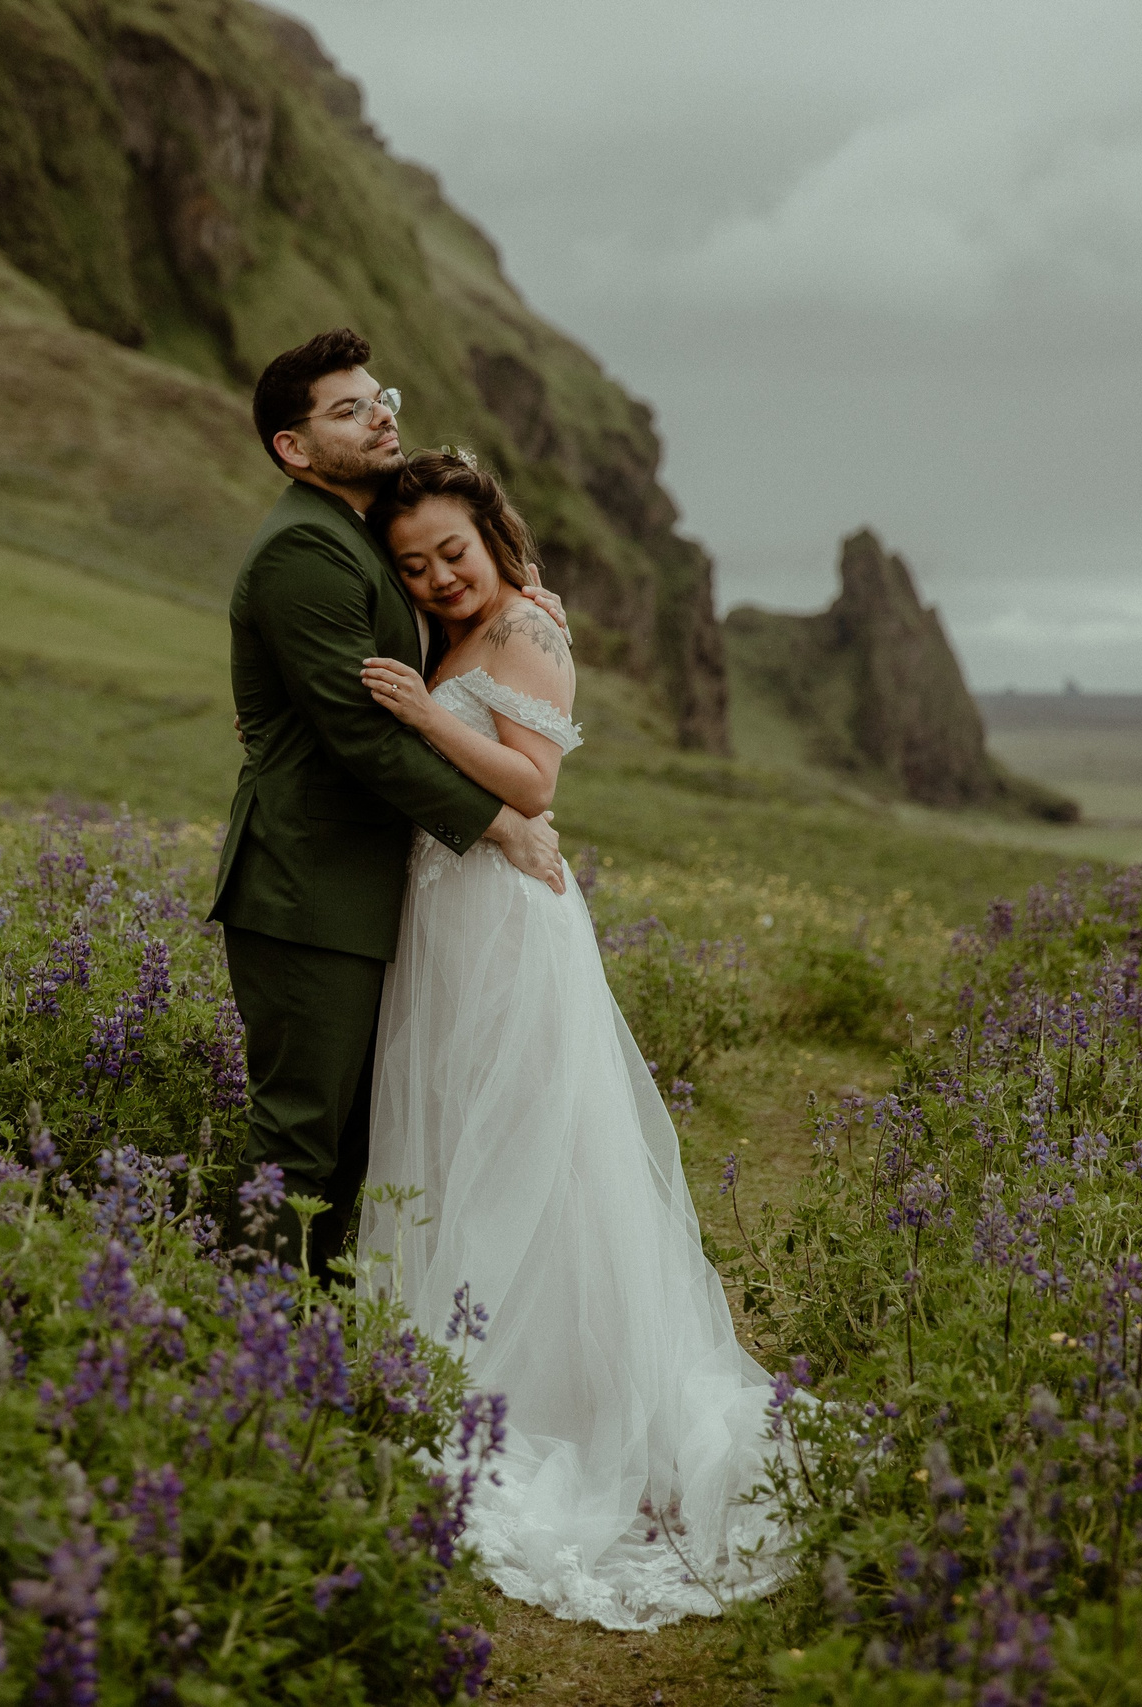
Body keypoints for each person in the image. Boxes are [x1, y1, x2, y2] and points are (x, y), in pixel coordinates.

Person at [355, 449, 797, 1631]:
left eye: (452, 552)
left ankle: (569, 1409)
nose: (438, 578)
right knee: (464, 1140)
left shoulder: (527, 629)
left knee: (535, 1152)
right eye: (413, 565)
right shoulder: (466, 629)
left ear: (491, 535)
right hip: (448, 914)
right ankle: (485, 1376)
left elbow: (534, 786)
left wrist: (420, 714)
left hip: (506, 921)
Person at [208, 329, 570, 1280]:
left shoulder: (355, 533)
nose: (380, 417)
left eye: (381, 399)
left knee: (358, 1144)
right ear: (294, 446)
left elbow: (437, 623)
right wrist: (502, 824)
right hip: (307, 887)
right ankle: (247, 1341)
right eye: (350, 409)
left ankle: (316, 1332)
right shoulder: (304, 549)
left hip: (367, 890)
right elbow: (361, 735)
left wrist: (519, 603)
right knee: (298, 1139)